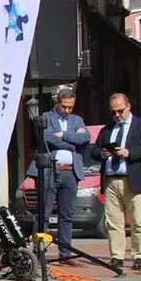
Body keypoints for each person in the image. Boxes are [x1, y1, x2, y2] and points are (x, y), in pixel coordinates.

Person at [90, 92, 141, 270]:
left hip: (134, 179)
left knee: (138, 221)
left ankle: (139, 256)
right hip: (111, 179)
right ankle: (117, 256)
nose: (117, 115)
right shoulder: (108, 129)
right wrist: (102, 153)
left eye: (120, 111)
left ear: (128, 106)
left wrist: (129, 153)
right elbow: (94, 150)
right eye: (113, 112)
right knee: (113, 222)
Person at [34, 89, 91, 264]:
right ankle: (38, 252)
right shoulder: (46, 117)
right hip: (50, 170)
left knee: (66, 215)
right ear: (57, 103)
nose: (67, 110)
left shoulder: (77, 120)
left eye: (70, 107)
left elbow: (86, 138)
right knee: (43, 212)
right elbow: (48, 138)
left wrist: (65, 135)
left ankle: (65, 254)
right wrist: (73, 142)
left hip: (71, 172)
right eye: (64, 106)